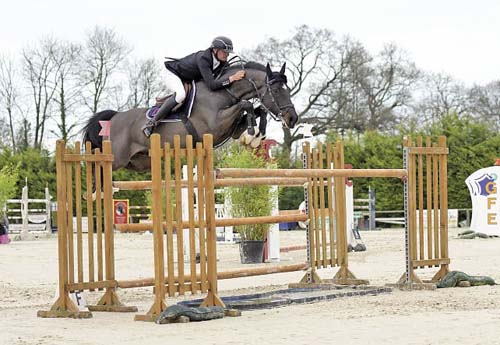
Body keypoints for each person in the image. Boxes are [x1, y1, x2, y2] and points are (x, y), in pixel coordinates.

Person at [143, 36, 246, 137]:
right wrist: (232, 78)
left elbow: (225, 76)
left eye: (228, 53)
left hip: (187, 78)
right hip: (172, 74)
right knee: (181, 95)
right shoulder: (204, 59)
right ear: (215, 50)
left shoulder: (222, 62)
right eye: (224, 52)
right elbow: (212, 85)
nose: (226, 55)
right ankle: (152, 123)